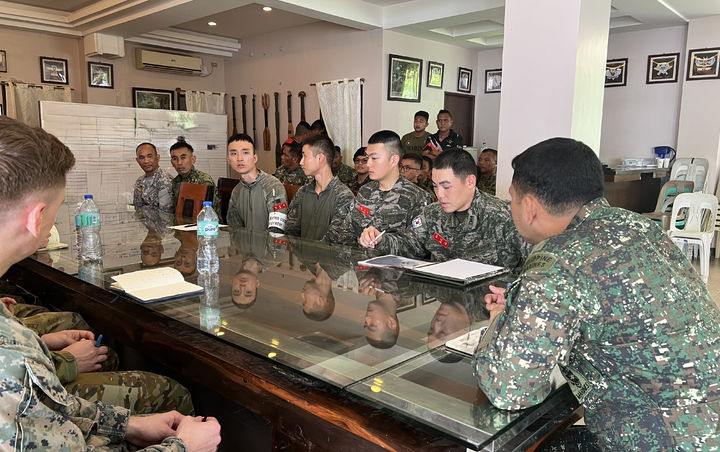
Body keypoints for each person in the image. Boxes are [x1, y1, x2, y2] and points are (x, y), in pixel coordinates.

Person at [473, 137, 720, 450]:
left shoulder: (559, 258)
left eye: (513, 199)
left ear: (531, 206)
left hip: (661, 439)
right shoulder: (638, 225)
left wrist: (499, 319)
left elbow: (509, 389)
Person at [0, 116, 221, 450]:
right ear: (36, 217)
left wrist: (128, 424)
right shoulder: (12, 357)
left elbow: (51, 404)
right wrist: (183, 447)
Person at [361, 148, 529, 275]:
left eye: (446, 186)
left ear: (470, 181)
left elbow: (534, 265)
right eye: (435, 186)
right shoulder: (432, 214)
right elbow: (411, 244)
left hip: (488, 310)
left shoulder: (505, 216)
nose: (439, 195)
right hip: (443, 304)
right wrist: (380, 239)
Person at [324, 130, 433, 246]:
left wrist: (382, 240)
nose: (368, 164)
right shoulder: (365, 191)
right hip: (357, 261)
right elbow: (344, 231)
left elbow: (418, 246)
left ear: (394, 160)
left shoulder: (417, 197)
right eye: (367, 158)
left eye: (374, 158)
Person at [284, 135, 355, 241]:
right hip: (302, 256)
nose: (301, 162)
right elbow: (290, 231)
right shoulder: (302, 192)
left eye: (305, 156)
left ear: (320, 158)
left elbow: (336, 240)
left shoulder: (343, 196)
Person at [226, 133, 288, 232]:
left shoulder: (273, 186)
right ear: (228, 160)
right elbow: (234, 230)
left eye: (245, 152)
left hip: (270, 246)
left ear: (255, 158)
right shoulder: (236, 192)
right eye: (234, 153)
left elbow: (277, 230)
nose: (239, 158)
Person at [169, 137, 220, 215]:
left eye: (183, 157)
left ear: (193, 159)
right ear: (172, 162)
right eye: (175, 158)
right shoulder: (175, 182)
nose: (179, 162)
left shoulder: (204, 181)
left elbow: (210, 214)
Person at [133, 142, 174, 212]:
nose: (146, 161)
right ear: (137, 161)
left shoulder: (164, 180)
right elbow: (137, 208)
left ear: (157, 157)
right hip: (143, 222)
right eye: (142, 157)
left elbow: (166, 215)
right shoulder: (139, 182)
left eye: (149, 156)